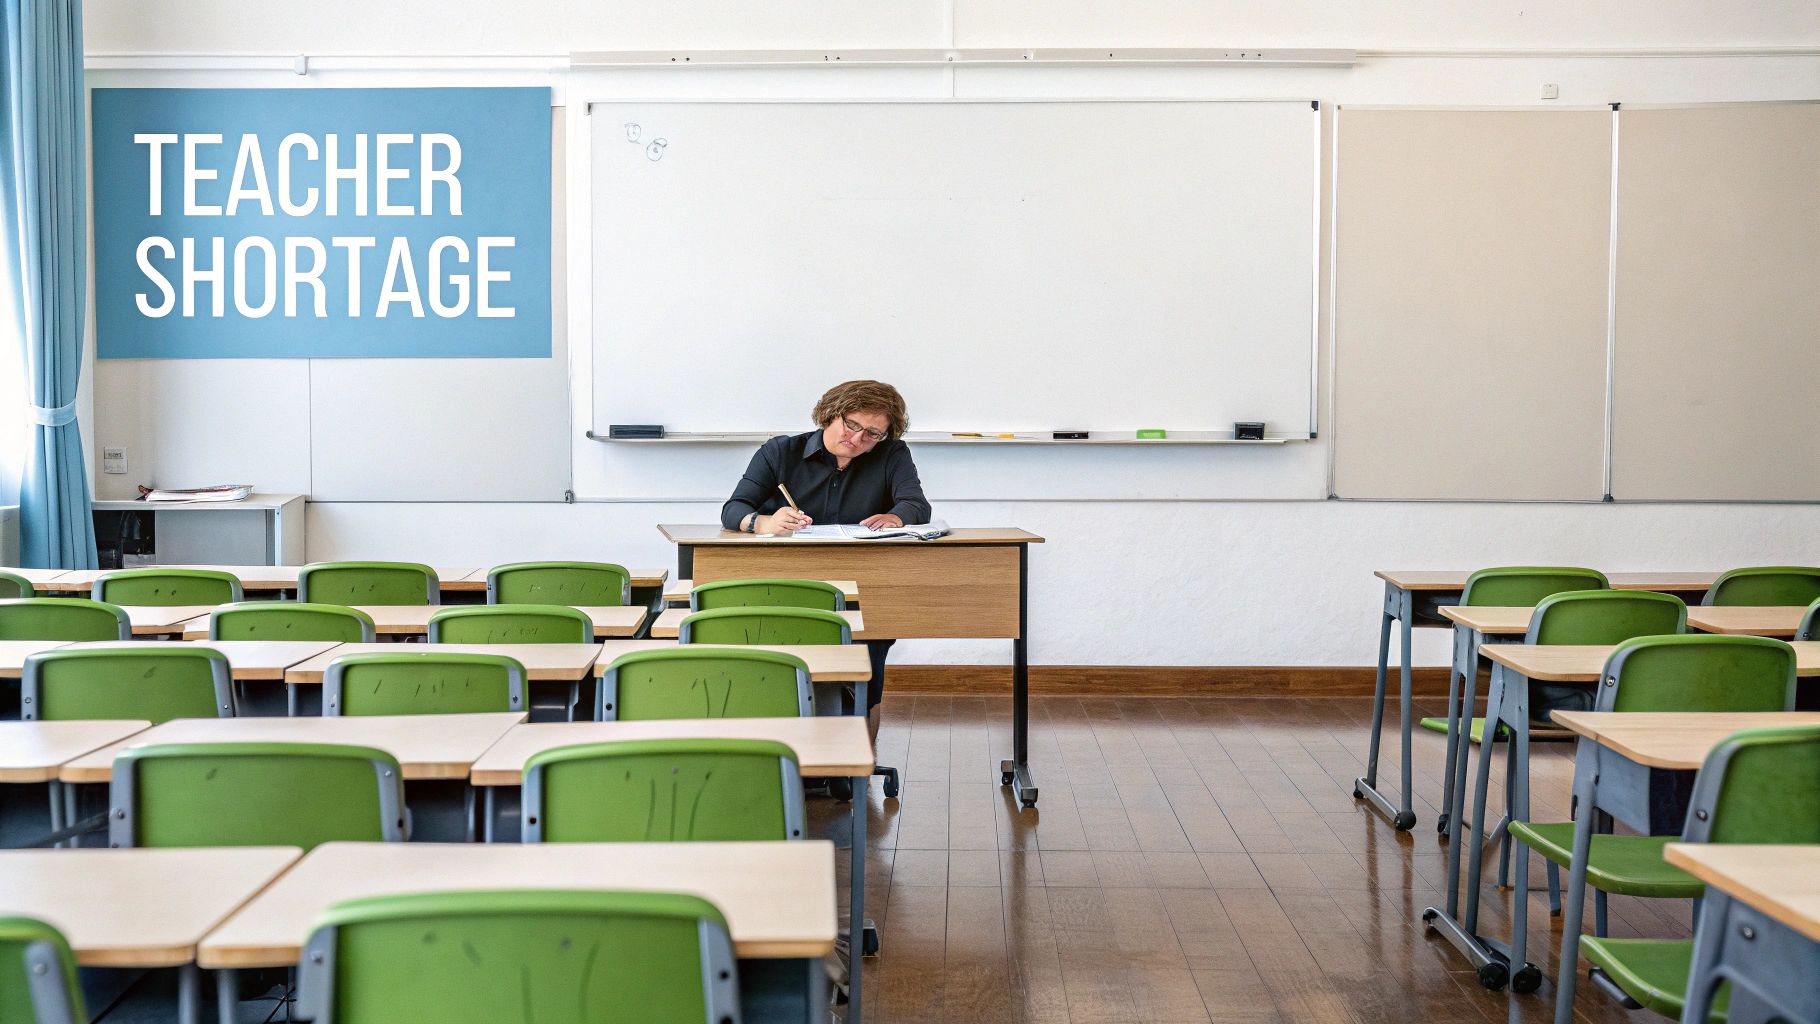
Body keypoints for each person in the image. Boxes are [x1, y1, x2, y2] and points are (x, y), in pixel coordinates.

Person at [720, 380, 929, 770]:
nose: (858, 438)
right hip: (786, 586)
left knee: (871, 658)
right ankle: (779, 759)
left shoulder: (891, 454)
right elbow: (733, 509)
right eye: (851, 425)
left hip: (864, 587)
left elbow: (916, 503)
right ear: (831, 414)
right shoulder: (781, 452)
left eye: (872, 433)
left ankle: (856, 767)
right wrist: (764, 522)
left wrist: (897, 516)